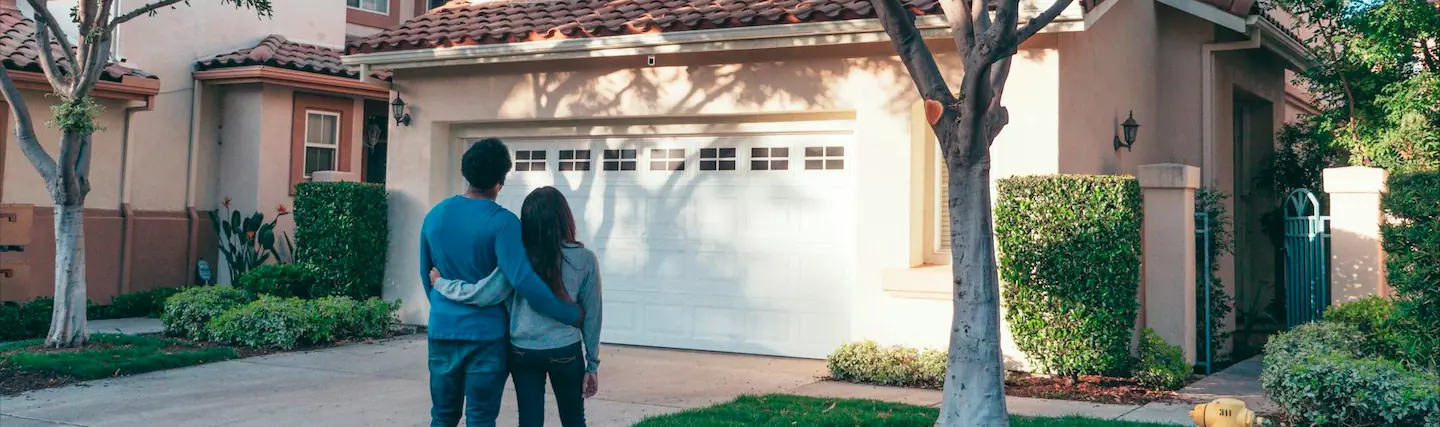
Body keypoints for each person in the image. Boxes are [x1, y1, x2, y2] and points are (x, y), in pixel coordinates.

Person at [420, 138, 583, 427]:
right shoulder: (504, 223)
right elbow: (523, 280)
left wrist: (446, 310)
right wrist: (568, 313)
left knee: (442, 416)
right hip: (486, 336)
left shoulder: (434, 216)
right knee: (481, 418)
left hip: (443, 330)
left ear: (466, 174)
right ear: (500, 181)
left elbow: (426, 275)